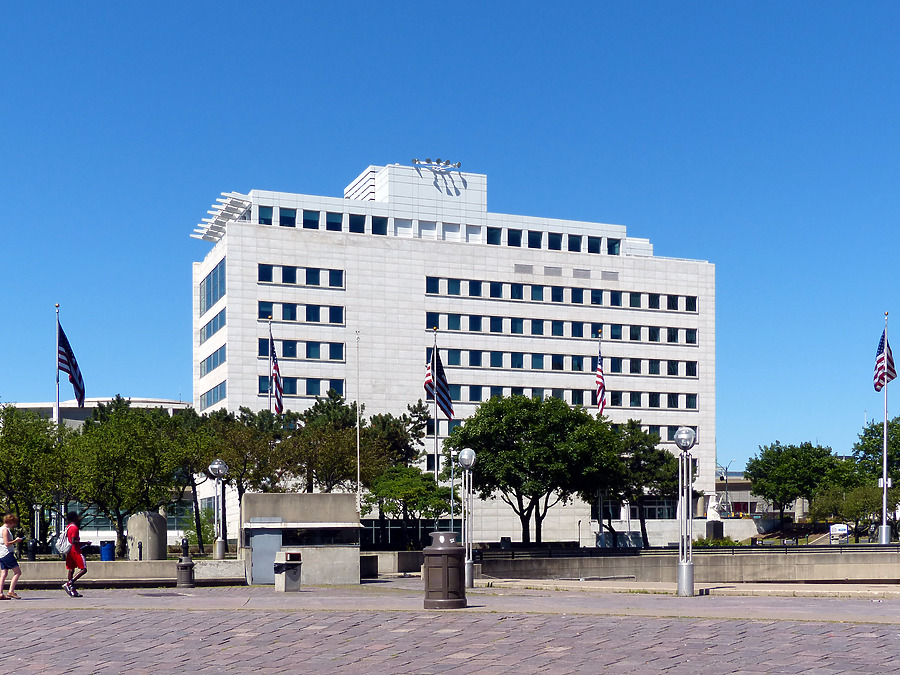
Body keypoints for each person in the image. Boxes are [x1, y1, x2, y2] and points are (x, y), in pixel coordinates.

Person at [62, 512, 89, 597]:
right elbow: (74, 541)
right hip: (75, 551)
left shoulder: (68, 527)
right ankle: (69, 583)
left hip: (69, 551)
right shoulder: (74, 528)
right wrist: (85, 543)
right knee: (83, 569)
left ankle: (72, 590)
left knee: (71, 569)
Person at [0, 514, 23, 600]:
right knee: (17, 572)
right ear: (10, 522)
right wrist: (16, 541)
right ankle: (11, 591)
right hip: (7, 553)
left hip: (1, 554)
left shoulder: (0, 529)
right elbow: (7, 543)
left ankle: (0, 593)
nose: (14, 525)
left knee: (3, 574)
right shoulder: (5, 530)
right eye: (13, 523)